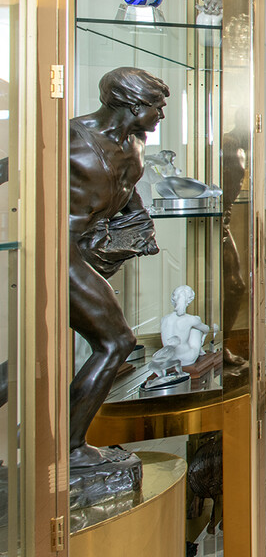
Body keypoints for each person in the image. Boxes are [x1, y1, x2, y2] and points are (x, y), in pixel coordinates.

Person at [69, 67, 171, 465]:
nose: (160, 115)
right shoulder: (71, 138)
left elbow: (128, 192)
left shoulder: (135, 143)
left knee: (35, 357)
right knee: (116, 341)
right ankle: (70, 448)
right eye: (156, 107)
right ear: (132, 104)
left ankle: (60, 441)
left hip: (95, 250)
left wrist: (136, 226)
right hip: (60, 254)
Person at [152, 284, 213, 372]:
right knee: (195, 328)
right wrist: (203, 336)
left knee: (192, 325)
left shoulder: (164, 319)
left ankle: (199, 350)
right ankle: (200, 351)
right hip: (186, 358)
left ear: (173, 299)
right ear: (188, 301)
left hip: (169, 359)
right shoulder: (191, 319)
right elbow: (206, 329)